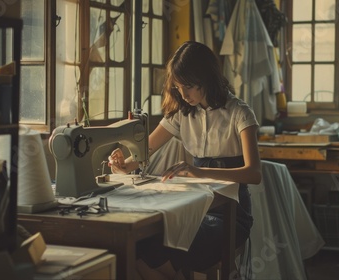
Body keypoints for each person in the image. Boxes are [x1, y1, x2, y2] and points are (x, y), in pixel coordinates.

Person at [109, 40, 262, 280]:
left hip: (231, 216)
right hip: (195, 212)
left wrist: (200, 172)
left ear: (207, 78)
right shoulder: (183, 114)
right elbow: (146, 149)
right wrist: (123, 164)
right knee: (138, 247)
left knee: (162, 248)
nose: (183, 94)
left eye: (189, 86)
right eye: (178, 87)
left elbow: (254, 174)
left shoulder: (240, 113)